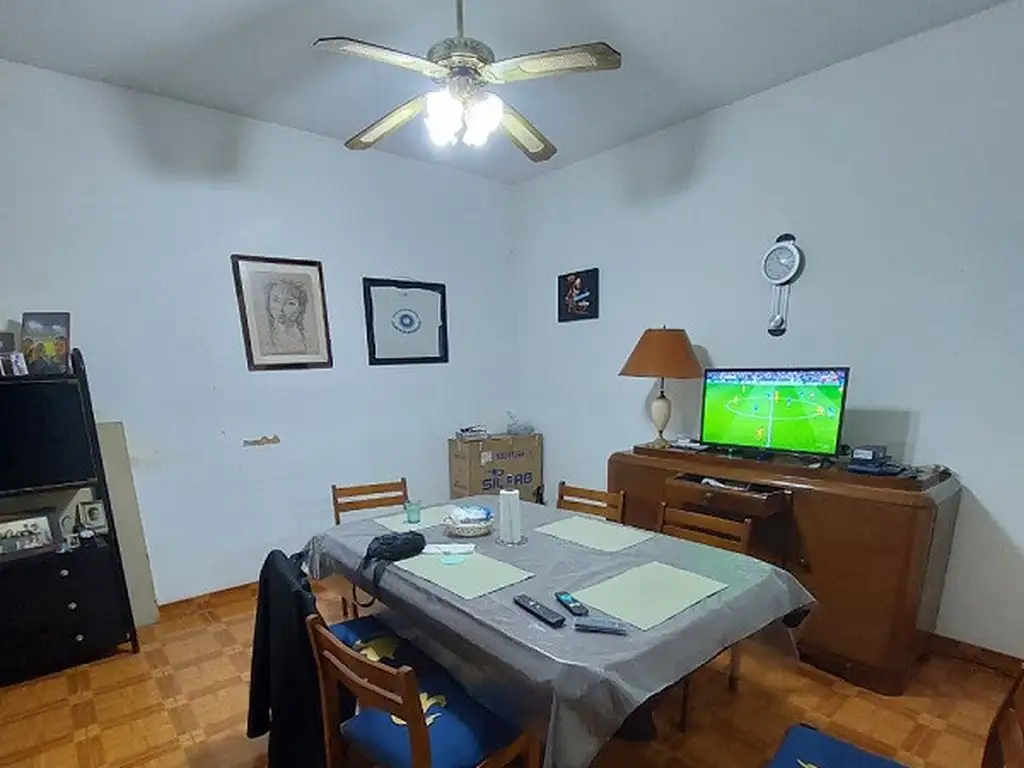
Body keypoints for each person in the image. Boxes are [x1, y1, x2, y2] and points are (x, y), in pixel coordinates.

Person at [264, 279, 309, 354]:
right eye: (276, 300)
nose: (280, 308)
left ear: (300, 308)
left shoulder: (305, 340)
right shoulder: (266, 338)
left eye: (290, 303)